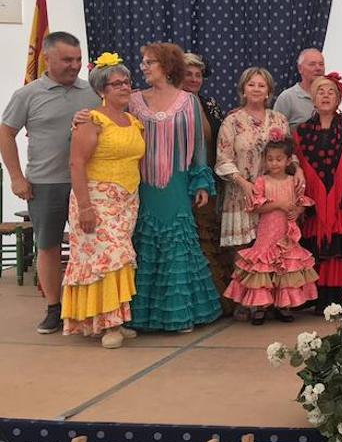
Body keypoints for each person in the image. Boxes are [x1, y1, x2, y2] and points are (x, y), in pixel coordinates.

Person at [0, 31, 100, 334]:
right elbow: (6, 134)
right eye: (67, 59)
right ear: (47, 57)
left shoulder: (94, 92)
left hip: (91, 183)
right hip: (46, 183)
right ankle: (54, 308)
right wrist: (17, 177)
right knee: (49, 246)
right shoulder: (27, 95)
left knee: (95, 244)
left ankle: (94, 307)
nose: (74, 65)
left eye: (78, 59)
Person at [127, 42, 221, 332]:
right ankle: (142, 316)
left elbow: (197, 148)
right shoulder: (133, 100)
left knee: (178, 243)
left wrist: (201, 182)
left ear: (166, 67)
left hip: (177, 184)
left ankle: (179, 315)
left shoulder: (187, 101)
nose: (143, 67)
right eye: (143, 62)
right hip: (141, 185)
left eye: (149, 62)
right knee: (144, 243)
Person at [62, 54, 145, 348]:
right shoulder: (91, 119)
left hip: (127, 200)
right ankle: (107, 324)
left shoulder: (134, 121)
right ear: (102, 90)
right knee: (109, 258)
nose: (124, 87)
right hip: (96, 199)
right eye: (116, 83)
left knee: (119, 260)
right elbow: (76, 164)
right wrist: (84, 206)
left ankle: (116, 321)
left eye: (127, 82)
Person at [224, 136, 319, 324]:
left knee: (286, 267)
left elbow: (302, 202)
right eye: (270, 159)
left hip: (286, 233)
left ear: (288, 160)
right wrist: (279, 205)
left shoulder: (293, 181)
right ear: (265, 160)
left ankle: (283, 306)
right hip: (267, 233)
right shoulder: (261, 181)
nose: (274, 163)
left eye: (279, 159)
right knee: (263, 267)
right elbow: (256, 207)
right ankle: (261, 307)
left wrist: (297, 211)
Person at [295, 74, 342, 315]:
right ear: (313, 99)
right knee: (317, 247)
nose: (325, 96)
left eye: (331, 92)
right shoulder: (301, 131)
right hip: (313, 200)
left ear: (339, 100)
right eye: (320, 92)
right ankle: (319, 300)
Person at [215, 68, 293, 250]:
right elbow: (222, 160)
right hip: (242, 196)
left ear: (268, 92)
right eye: (251, 84)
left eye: (261, 85)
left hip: (273, 198)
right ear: (243, 90)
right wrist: (243, 184)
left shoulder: (279, 120)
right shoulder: (232, 121)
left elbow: (290, 155)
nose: (256, 89)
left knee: (273, 251)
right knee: (244, 257)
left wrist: (299, 172)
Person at [182, 52, 233, 316]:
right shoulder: (170, 104)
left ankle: (215, 298)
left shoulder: (210, 103)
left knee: (209, 233)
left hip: (210, 178)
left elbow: (224, 135)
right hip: (178, 180)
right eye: (188, 73)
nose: (193, 79)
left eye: (197, 74)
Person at [274, 48, 325, 129]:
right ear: (300, 68)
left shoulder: (329, 96)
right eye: (312, 64)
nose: (318, 68)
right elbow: (275, 132)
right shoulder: (287, 98)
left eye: (321, 64)